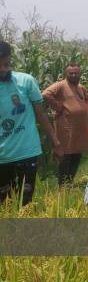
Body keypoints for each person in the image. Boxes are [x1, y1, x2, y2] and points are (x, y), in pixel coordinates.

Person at [0, 41, 61, 206]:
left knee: (26, 202)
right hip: (2, 157)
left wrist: (55, 142)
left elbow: (41, 115)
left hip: (27, 152)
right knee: (4, 203)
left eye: (6, 64)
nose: (3, 69)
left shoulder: (26, 81)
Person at [42, 63, 88, 184]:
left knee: (77, 155)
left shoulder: (81, 87)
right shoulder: (61, 85)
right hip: (67, 128)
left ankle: (70, 182)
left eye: (76, 73)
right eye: (71, 73)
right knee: (66, 156)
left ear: (80, 74)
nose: (73, 75)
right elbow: (45, 94)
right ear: (66, 74)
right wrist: (58, 107)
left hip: (80, 130)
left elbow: (87, 99)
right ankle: (63, 186)